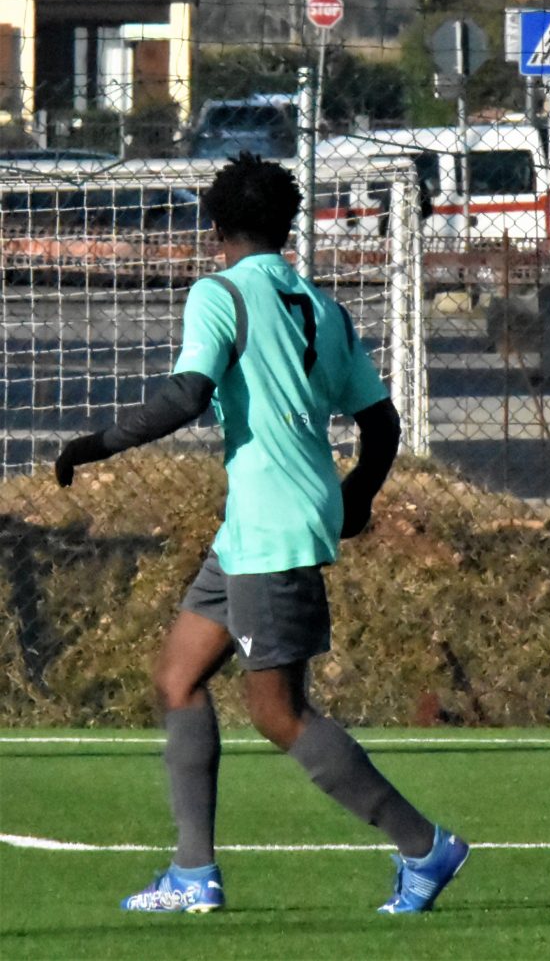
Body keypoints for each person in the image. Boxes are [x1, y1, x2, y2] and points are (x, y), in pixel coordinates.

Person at [54, 153, 467, 915]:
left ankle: (423, 844)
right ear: (289, 225)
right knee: (177, 677)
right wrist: (355, 496)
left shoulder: (219, 293)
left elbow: (188, 393)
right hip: (256, 524)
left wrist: (96, 444)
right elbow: (380, 422)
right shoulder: (321, 306)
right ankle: (192, 873)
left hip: (271, 527)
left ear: (215, 226)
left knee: (279, 712)